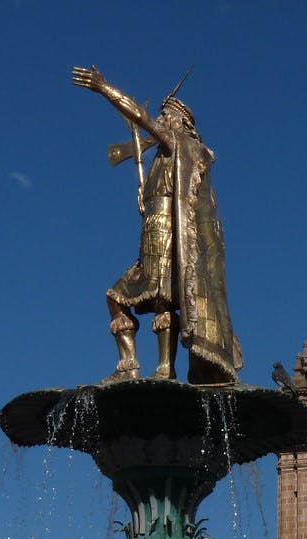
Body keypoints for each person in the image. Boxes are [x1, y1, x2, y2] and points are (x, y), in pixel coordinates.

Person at [71, 66, 243, 385]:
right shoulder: (163, 161)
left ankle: (165, 368)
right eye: (162, 117)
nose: (160, 122)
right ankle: (129, 365)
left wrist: (105, 88)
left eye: (166, 117)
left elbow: (139, 115)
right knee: (117, 296)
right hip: (152, 228)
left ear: (181, 124)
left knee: (164, 297)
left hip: (167, 233)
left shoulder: (180, 146)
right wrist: (147, 200)